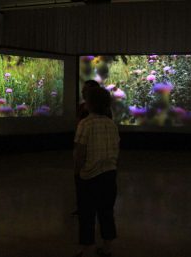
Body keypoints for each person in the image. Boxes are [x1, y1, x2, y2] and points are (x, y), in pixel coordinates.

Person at [73, 86, 120, 257]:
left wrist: (77, 172)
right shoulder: (111, 124)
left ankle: (87, 250)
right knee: (107, 213)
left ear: (89, 104)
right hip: (109, 176)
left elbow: (79, 153)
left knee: (86, 215)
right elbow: (116, 150)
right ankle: (107, 248)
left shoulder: (85, 124)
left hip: (89, 178)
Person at [72, 80, 113, 216]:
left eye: (86, 90)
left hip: (92, 159)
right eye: (83, 89)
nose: (83, 92)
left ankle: (87, 209)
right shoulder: (82, 108)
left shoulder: (90, 121)